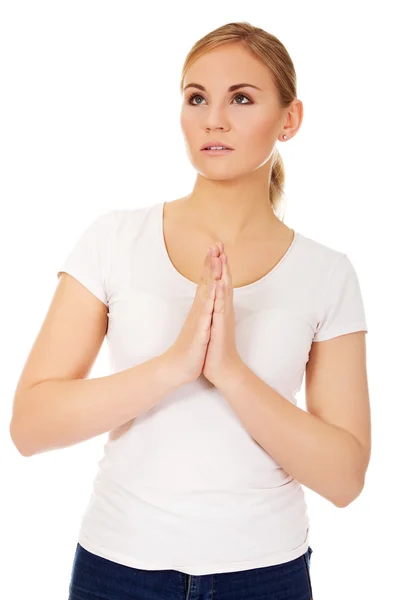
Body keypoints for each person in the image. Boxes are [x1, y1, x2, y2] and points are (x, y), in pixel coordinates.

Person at [9, 21, 371, 600]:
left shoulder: (327, 273)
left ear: (290, 119)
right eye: (197, 97)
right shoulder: (114, 239)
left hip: (265, 575)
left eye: (242, 99)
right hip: (117, 568)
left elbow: (345, 477)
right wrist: (175, 365)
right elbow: (29, 426)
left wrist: (229, 372)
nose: (214, 120)